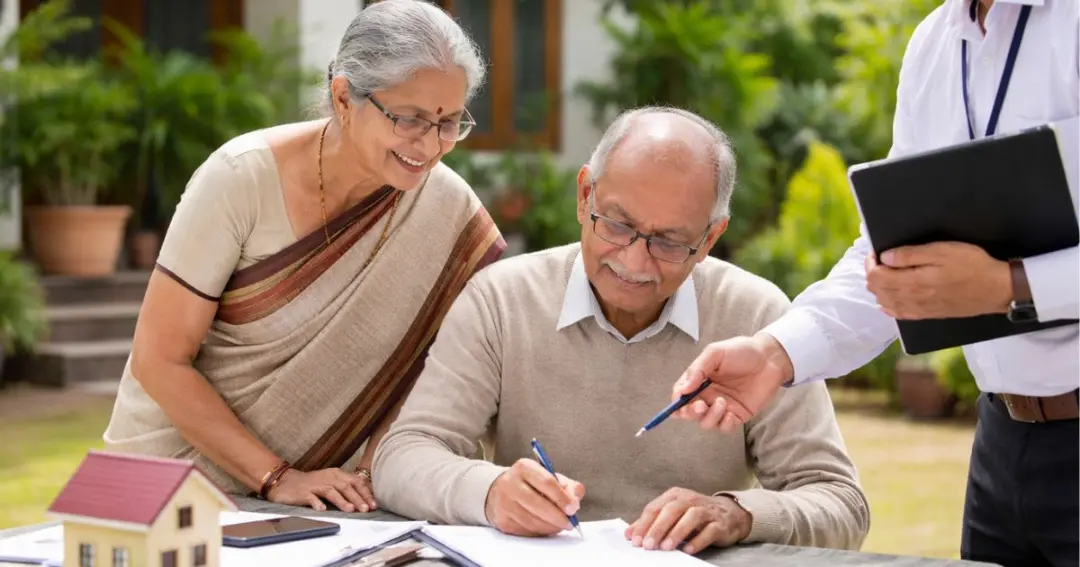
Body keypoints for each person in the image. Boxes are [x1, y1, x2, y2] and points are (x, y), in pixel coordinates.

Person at [670, 1, 1078, 565]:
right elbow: (889, 259)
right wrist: (774, 354)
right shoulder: (934, 44)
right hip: (1000, 442)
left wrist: (1012, 284)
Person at [372, 107, 870, 555]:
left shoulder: (756, 317)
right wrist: (488, 491)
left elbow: (843, 505)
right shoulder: (501, 300)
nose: (633, 262)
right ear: (584, 193)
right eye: (616, 224)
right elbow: (402, 457)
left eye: (669, 242)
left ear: (711, 237)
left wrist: (737, 514)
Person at [103, 0, 504, 514]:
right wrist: (276, 476)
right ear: (343, 96)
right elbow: (159, 360)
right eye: (410, 119)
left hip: (325, 508)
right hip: (171, 484)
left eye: (450, 123)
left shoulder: (448, 210)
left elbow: (435, 374)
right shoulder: (240, 179)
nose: (431, 145)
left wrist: (368, 473)